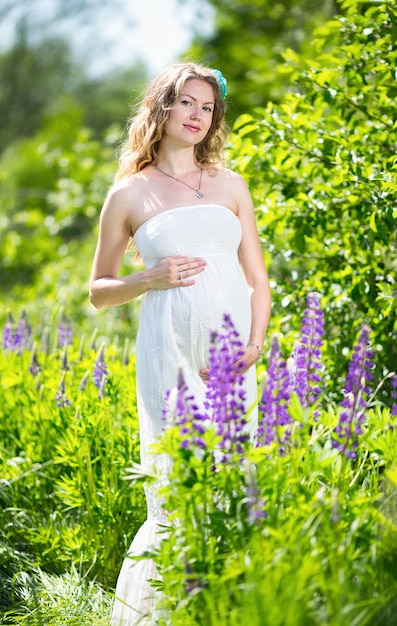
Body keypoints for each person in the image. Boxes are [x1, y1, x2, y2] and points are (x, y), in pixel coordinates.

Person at [89, 62, 271, 625]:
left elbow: (258, 279)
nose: (197, 115)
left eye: (208, 107)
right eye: (187, 103)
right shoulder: (128, 193)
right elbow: (98, 291)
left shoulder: (231, 183)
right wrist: (149, 278)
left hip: (232, 354)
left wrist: (257, 340)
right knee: (177, 482)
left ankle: (228, 608)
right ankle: (164, 612)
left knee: (233, 473)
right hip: (167, 350)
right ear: (162, 108)